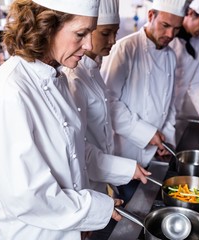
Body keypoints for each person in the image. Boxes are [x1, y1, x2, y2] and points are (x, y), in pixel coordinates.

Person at [0, 0, 150, 239]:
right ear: (46, 27)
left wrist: (126, 169)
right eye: (80, 34)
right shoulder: (9, 92)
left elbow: (75, 150)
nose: (88, 44)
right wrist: (95, 210)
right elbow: (27, 197)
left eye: (90, 32)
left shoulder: (57, 79)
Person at [100, 0, 189, 202]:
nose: (170, 35)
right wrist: (147, 134)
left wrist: (166, 139)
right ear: (151, 16)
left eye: (176, 29)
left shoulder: (171, 56)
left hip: (157, 152)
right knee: (130, 207)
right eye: (165, 25)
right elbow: (109, 104)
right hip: (127, 154)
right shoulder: (125, 49)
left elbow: (169, 103)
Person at [64, 0, 125, 196]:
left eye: (116, 32)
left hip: (102, 178)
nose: (113, 40)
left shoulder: (94, 67)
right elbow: (77, 147)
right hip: (86, 185)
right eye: (106, 33)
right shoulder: (73, 77)